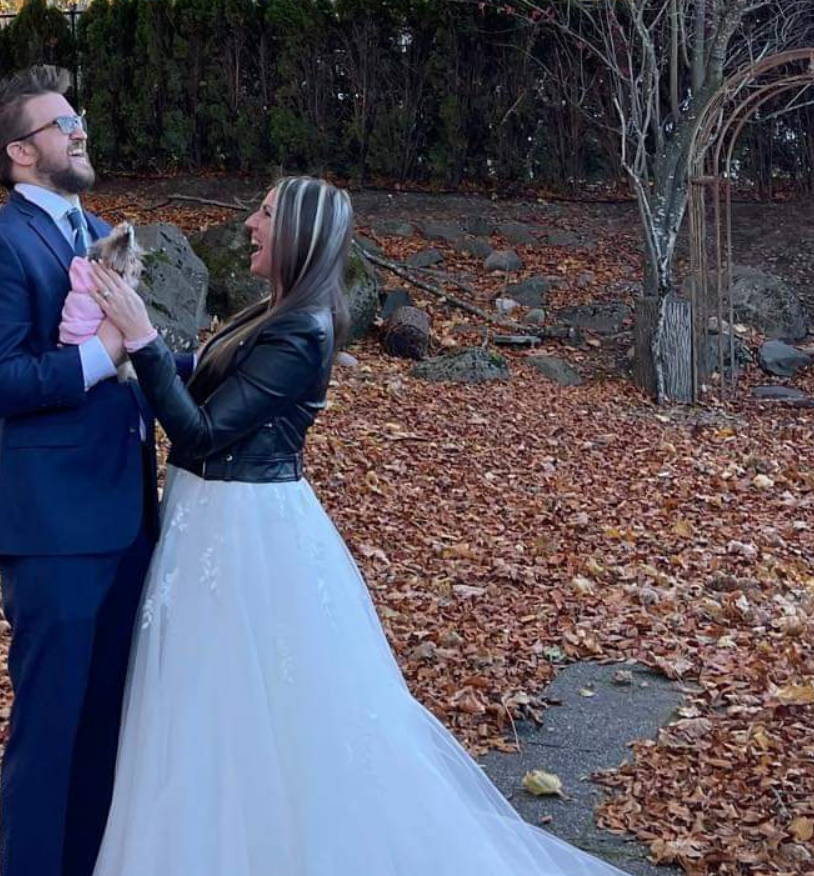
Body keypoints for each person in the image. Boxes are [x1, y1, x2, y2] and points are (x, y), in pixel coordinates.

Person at [85, 176, 628, 876]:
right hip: (212, 524)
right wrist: (134, 353)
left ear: (299, 236)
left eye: (265, 214)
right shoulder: (275, 312)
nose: (249, 223)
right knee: (209, 711)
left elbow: (198, 430)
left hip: (244, 534)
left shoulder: (301, 332)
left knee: (247, 706)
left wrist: (142, 339)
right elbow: (210, 377)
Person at [0, 65, 189, 876]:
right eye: (62, 124)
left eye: (77, 119)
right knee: (50, 735)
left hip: (126, 516)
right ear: (20, 151)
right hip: (52, 529)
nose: (80, 130)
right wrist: (104, 352)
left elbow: (147, 357)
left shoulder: (102, 231)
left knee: (105, 730)